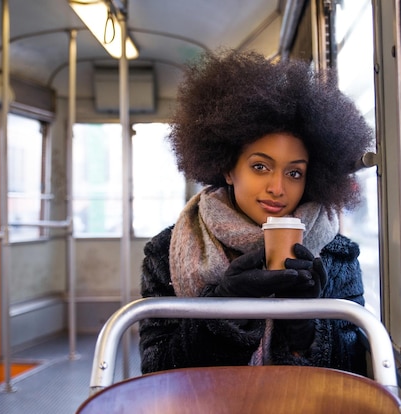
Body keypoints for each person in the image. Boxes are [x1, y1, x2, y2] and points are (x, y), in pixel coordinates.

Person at [138, 49, 374, 375]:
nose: (277, 187)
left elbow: (353, 376)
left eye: (294, 173)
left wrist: (304, 325)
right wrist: (223, 310)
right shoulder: (165, 253)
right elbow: (157, 371)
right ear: (228, 169)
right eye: (260, 166)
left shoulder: (337, 258)